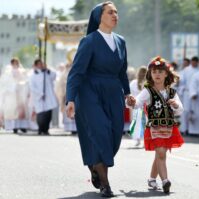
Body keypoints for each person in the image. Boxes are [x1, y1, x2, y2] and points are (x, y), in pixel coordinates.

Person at [65, 2, 134, 197]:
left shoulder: (121, 41)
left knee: (114, 137)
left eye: (116, 12)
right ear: (99, 16)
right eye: (110, 12)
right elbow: (76, 72)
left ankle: (95, 167)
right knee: (100, 132)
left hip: (113, 92)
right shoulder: (89, 41)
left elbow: (122, 71)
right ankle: (105, 184)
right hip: (89, 93)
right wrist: (70, 99)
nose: (115, 15)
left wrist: (127, 93)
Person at [127, 56, 184, 194]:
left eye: (160, 71)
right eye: (154, 72)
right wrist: (132, 102)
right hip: (153, 128)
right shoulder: (147, 90)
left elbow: (180, 109)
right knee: (161, 153)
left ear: (166, 74)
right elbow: (137, 104)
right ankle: (165, 181)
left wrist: (176, 104)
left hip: (169, 128)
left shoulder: (171, 92)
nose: (157, 74)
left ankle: (152, 179)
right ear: (150, 74)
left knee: (160, 154)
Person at [0, 58, 30, 133]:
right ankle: (14, 126)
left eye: (17, 63)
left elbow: (26, 80)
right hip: (12, 93)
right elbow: (5, 82)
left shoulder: (22, 71)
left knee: (22, 111)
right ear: (11, 64)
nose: (16, 64)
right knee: (13, 111)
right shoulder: (8, 72)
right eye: (14, 63)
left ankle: (22, 126)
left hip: (20, 92)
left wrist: (21, 84)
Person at [29, 59, 58, 135]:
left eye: (41, 64)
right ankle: (40, 128)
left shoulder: (47, 73)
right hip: (39, 97)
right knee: (40, 114)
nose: (41, 65)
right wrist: (40, 94)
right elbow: (32, 87)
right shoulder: (33, 76)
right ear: (36, 65)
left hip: (48, 97)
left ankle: (46, 129)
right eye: (39, 64)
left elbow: (54, 76)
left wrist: (47, 69)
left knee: (48, 114)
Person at [56, 49, 77, 135]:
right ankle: (70, 127)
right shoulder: (66, 71)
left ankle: (76, 128)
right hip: (66, 93)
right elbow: (61, 82)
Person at [129, 66, 147, 147]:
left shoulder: (133, 83)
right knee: (145, 123)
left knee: (136, 122)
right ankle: (144, 140)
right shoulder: (148, 83)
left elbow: (130, 94)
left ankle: (138, 140)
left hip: (136, 104)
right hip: (144, 105)